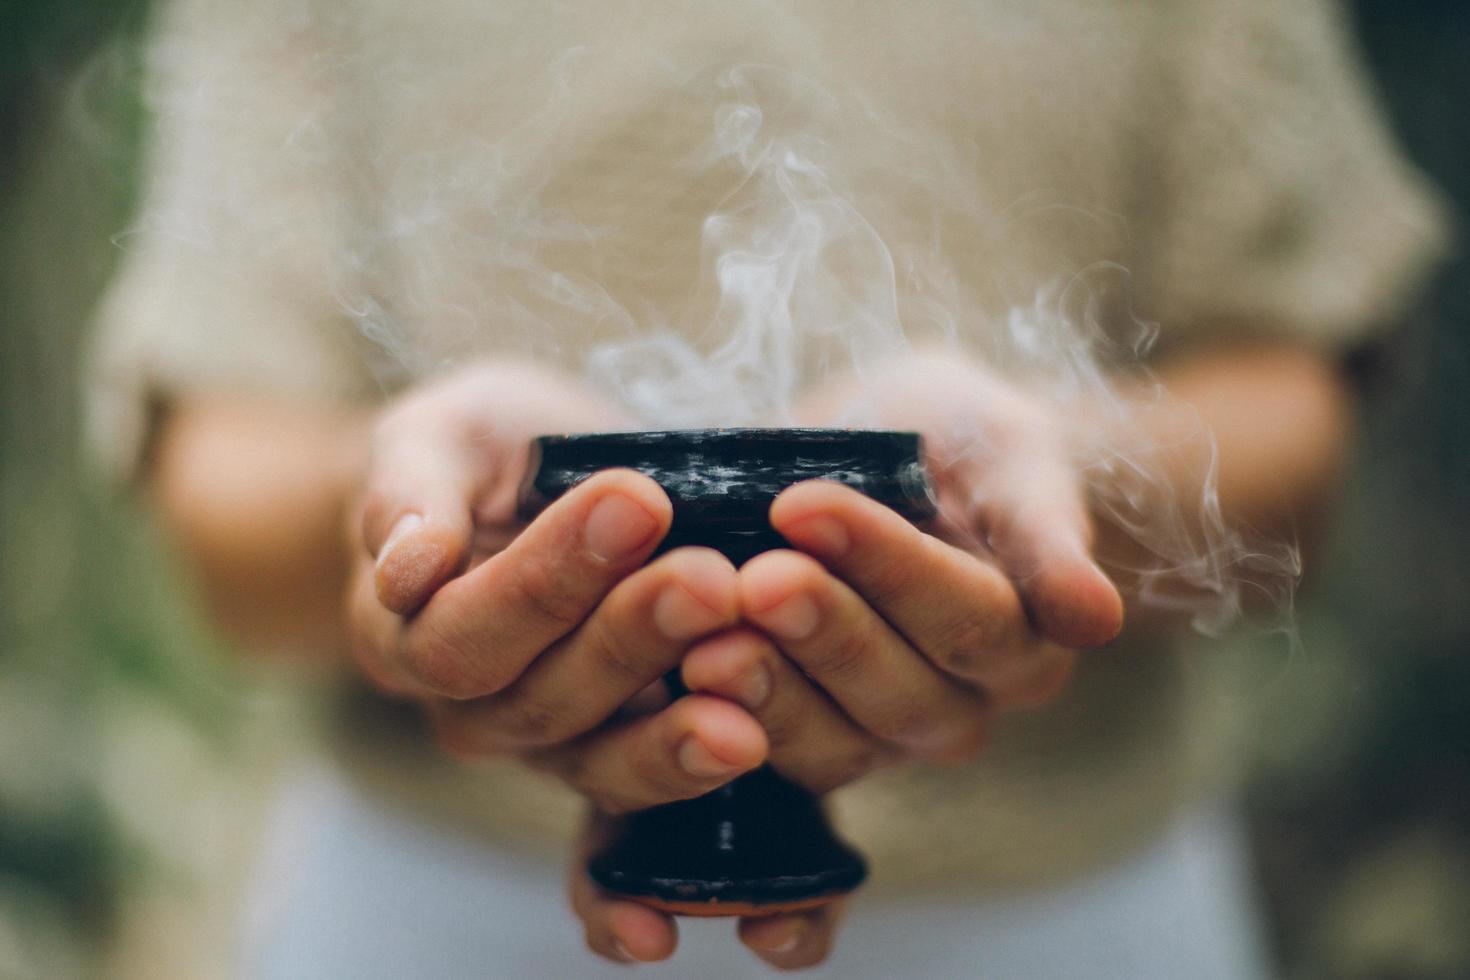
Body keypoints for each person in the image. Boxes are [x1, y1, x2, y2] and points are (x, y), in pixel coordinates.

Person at [87, 0, 1446, 975]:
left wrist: (1057, 485)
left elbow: (1286, 437)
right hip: (434, 914)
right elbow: (226, 497)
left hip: (1067, 917)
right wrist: (402, 531)